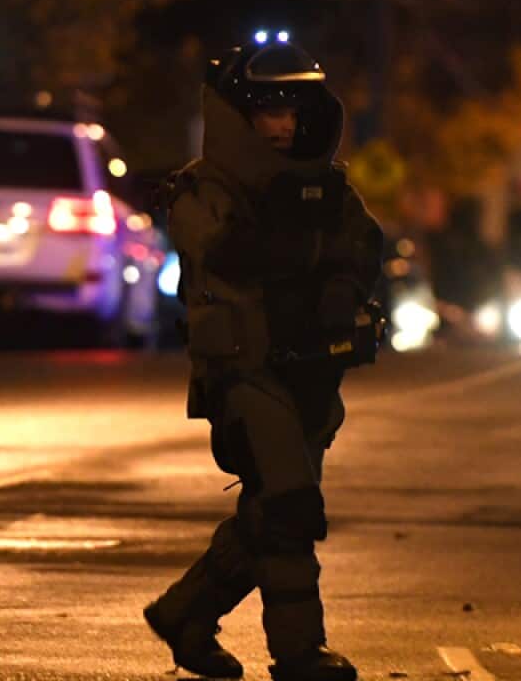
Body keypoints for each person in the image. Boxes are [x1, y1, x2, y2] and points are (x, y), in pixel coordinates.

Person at [145, 37, 384, 681]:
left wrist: (344, 287)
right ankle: (299, 653)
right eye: (266, 109)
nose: (281, 125)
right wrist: (307, 243)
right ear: (237, 114)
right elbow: (230, 251)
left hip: (311, 375)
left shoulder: (325, 189)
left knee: (268, 512)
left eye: (292, 110)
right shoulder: (201, 190)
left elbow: (364, 248)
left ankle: (185, 613)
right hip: (245, 376)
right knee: (288, 508)